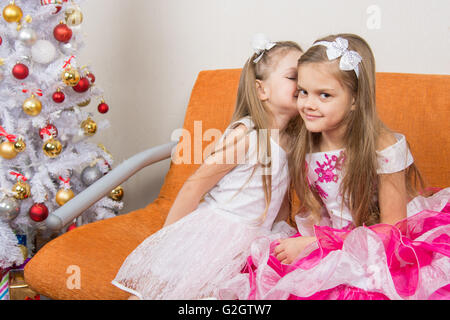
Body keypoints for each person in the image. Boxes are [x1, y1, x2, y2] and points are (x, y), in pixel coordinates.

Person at [219, 34, 450, 300]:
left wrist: (320, 244)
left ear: (354, 99)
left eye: (324, 95)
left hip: (383, 247)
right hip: (333, 238)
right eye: (302, 92)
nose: (308, 104)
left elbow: (393, 233)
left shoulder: (382, 145)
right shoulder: (304, 139)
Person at [111, 34, 303, 299]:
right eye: (293, 76)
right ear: (262, 90)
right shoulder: (246, 136)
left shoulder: (292, 141)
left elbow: (278, 198)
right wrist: (165, 242)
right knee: (168, 292)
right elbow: (194, 186)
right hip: (219, 233)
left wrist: (281, 232)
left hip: (255, 238)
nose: (303, 83)